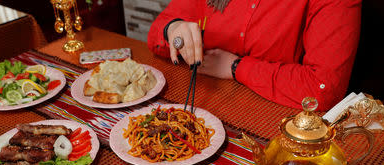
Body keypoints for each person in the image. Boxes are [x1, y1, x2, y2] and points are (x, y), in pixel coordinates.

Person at [147, 0, 362, 111]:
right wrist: (173, 29)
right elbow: (157, 35)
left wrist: (235, 66)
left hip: (275, 121)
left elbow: (323, 88)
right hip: (205, 101)